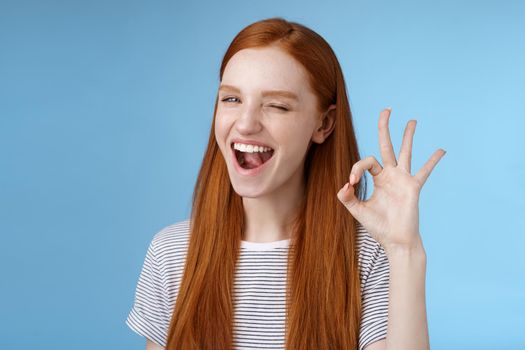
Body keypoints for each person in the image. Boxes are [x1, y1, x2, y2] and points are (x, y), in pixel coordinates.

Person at [126, 17, 445, 350]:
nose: (245, 124)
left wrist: (404, 250)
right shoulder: (172, 253)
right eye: (231, 100)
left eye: (276, 105)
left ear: (324, 123)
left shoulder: (367, 255)